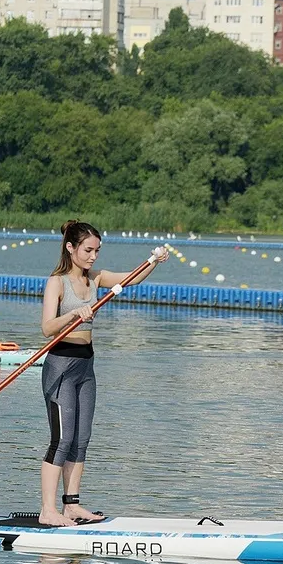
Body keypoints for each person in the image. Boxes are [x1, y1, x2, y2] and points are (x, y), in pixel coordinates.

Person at [37, 220, 169, 527]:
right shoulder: (57, 282)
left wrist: (154, 261)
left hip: (86, 365)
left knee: (81, 439)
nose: (93, 256)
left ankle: (71, 505)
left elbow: (131, 279)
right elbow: (46, 328)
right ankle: (48, 510)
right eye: (87, 250)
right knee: (62, 439)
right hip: (60, 368)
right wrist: (72, 313)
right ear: (70, 248)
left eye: (97, 250)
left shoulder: (96, 278)